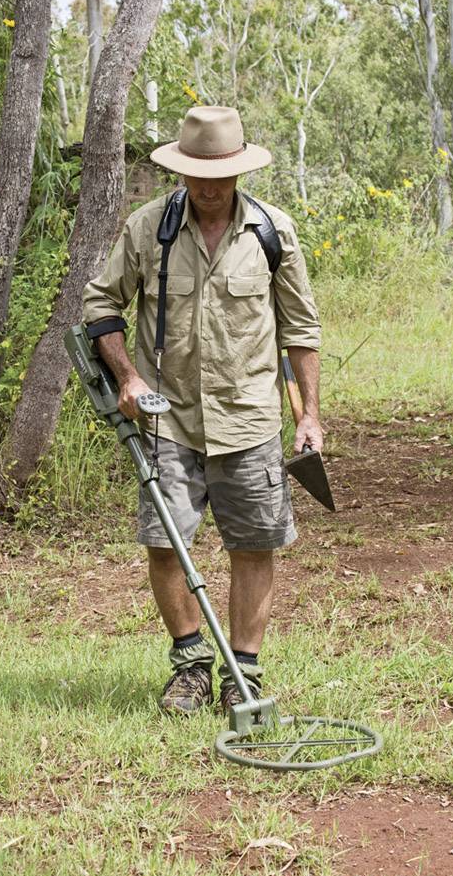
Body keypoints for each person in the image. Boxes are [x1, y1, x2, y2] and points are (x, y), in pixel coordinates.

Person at [82, 105, 322, 715]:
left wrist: (309, 415)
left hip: (249, 419)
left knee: (254, 545)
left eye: (222, 174)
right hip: (169, 419)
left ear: (239, 170)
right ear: (181, 171)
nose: (210, 188)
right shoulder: (146, 229)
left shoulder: (273, 232)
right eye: (198, 175)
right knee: (164, 545)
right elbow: (101, 304)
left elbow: (300, 329)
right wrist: (128, 378)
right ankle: (190, 665)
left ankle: (244, 670)